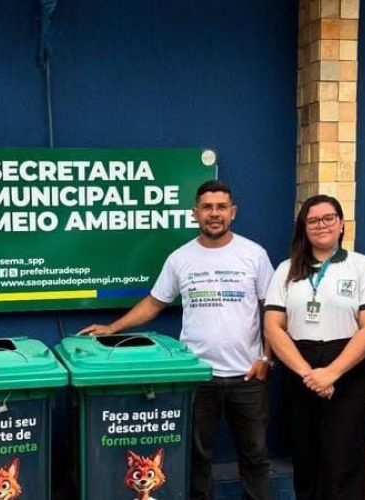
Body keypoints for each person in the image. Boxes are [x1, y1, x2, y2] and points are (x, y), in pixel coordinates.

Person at [81, 179, 275, 500]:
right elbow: (155, 302)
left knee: (254, 457)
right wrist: (112, 328)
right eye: (207, 207)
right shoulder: (181, 258)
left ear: (233, 212)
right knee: (197, 457)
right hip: (196, 375)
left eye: (221, 207)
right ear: (194, 213)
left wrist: (266, 358)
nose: (214, 214)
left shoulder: (253, 255)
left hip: (248, 376)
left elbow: (271, 309)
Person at [263, 195, 365, 500]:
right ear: (304, 227)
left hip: (349, 368)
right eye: (313, 220)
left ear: (341, 224)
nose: (322, 225)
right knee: (305, 457)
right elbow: (274, 327)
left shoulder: (362, 266)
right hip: (298, 366)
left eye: (328, 218)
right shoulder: (287, 269)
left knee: (343, 458)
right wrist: (309, 374)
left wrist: (331, 373)